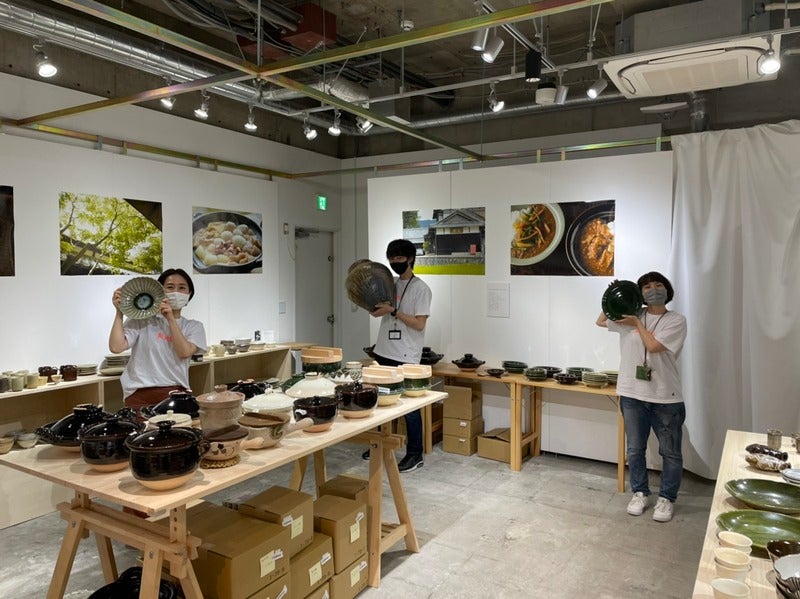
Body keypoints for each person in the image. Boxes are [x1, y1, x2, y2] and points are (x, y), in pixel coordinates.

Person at [596, 272, 687, 523]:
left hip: (665, 396)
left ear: (667, 290)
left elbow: (654, 346)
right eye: (646, 287)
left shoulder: (676, 320)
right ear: (640, 293)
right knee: (635, 450)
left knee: (670, 452)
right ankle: (640, 492)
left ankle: (667, 498)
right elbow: (601, 320)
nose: (653, 290)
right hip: (632, 394)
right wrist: (612, 296)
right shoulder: (632, 314)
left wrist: (637, 322)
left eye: (658, 285)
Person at [364, 239, 432, 473]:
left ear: (411, 259)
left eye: (400, 258)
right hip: (383, 350)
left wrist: (393, 311)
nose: (395, 262)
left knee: (410, 408)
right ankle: (379, 444)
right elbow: (376, 313)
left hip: (407, 354)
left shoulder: (421, 289)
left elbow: (419, 324)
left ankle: (415, 454)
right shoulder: (389, 285)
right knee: (381, 402)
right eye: (391, 258)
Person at [109, 268, 207, 413]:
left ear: (189, 294)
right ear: (159, 290)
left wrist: (170, 319)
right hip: (138, 394)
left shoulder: (193, 326)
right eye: (170, 287)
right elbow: (116, 347)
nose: (176, 292)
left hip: (176, 393)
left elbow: (184, 352)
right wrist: (119, 312)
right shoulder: (141, 319)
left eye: (182, 288)